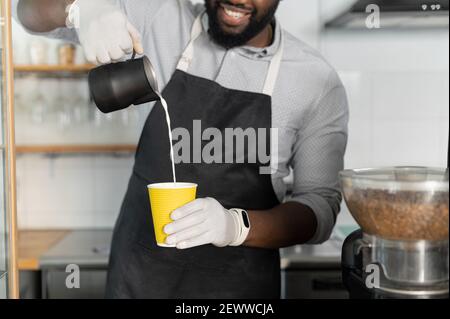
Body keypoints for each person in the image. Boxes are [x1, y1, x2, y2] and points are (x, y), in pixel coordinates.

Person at [15, 0, 349, 298]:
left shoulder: (315, 81)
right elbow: (27, 11)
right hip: (140, 281)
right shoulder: (158, 16)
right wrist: (82, 10)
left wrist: (236, 226)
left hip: (240, 290)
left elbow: (318, 208)